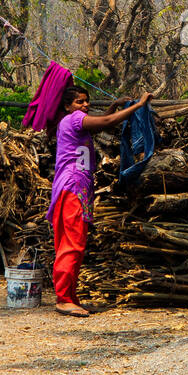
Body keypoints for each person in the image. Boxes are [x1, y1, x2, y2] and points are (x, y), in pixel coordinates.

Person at [48, 84, 153, 316]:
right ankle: (63, 299)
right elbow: (106, 123)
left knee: (75, 243)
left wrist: (113, 106)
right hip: (72, 187)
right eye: (79, 102)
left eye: (87, 101)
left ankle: (70, 297)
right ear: (67, 106)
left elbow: (100, 120)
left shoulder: (78, 124)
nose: (85, 105)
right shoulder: (73, 120)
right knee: (72, 244)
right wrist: (138, 105)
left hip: (78, 189)